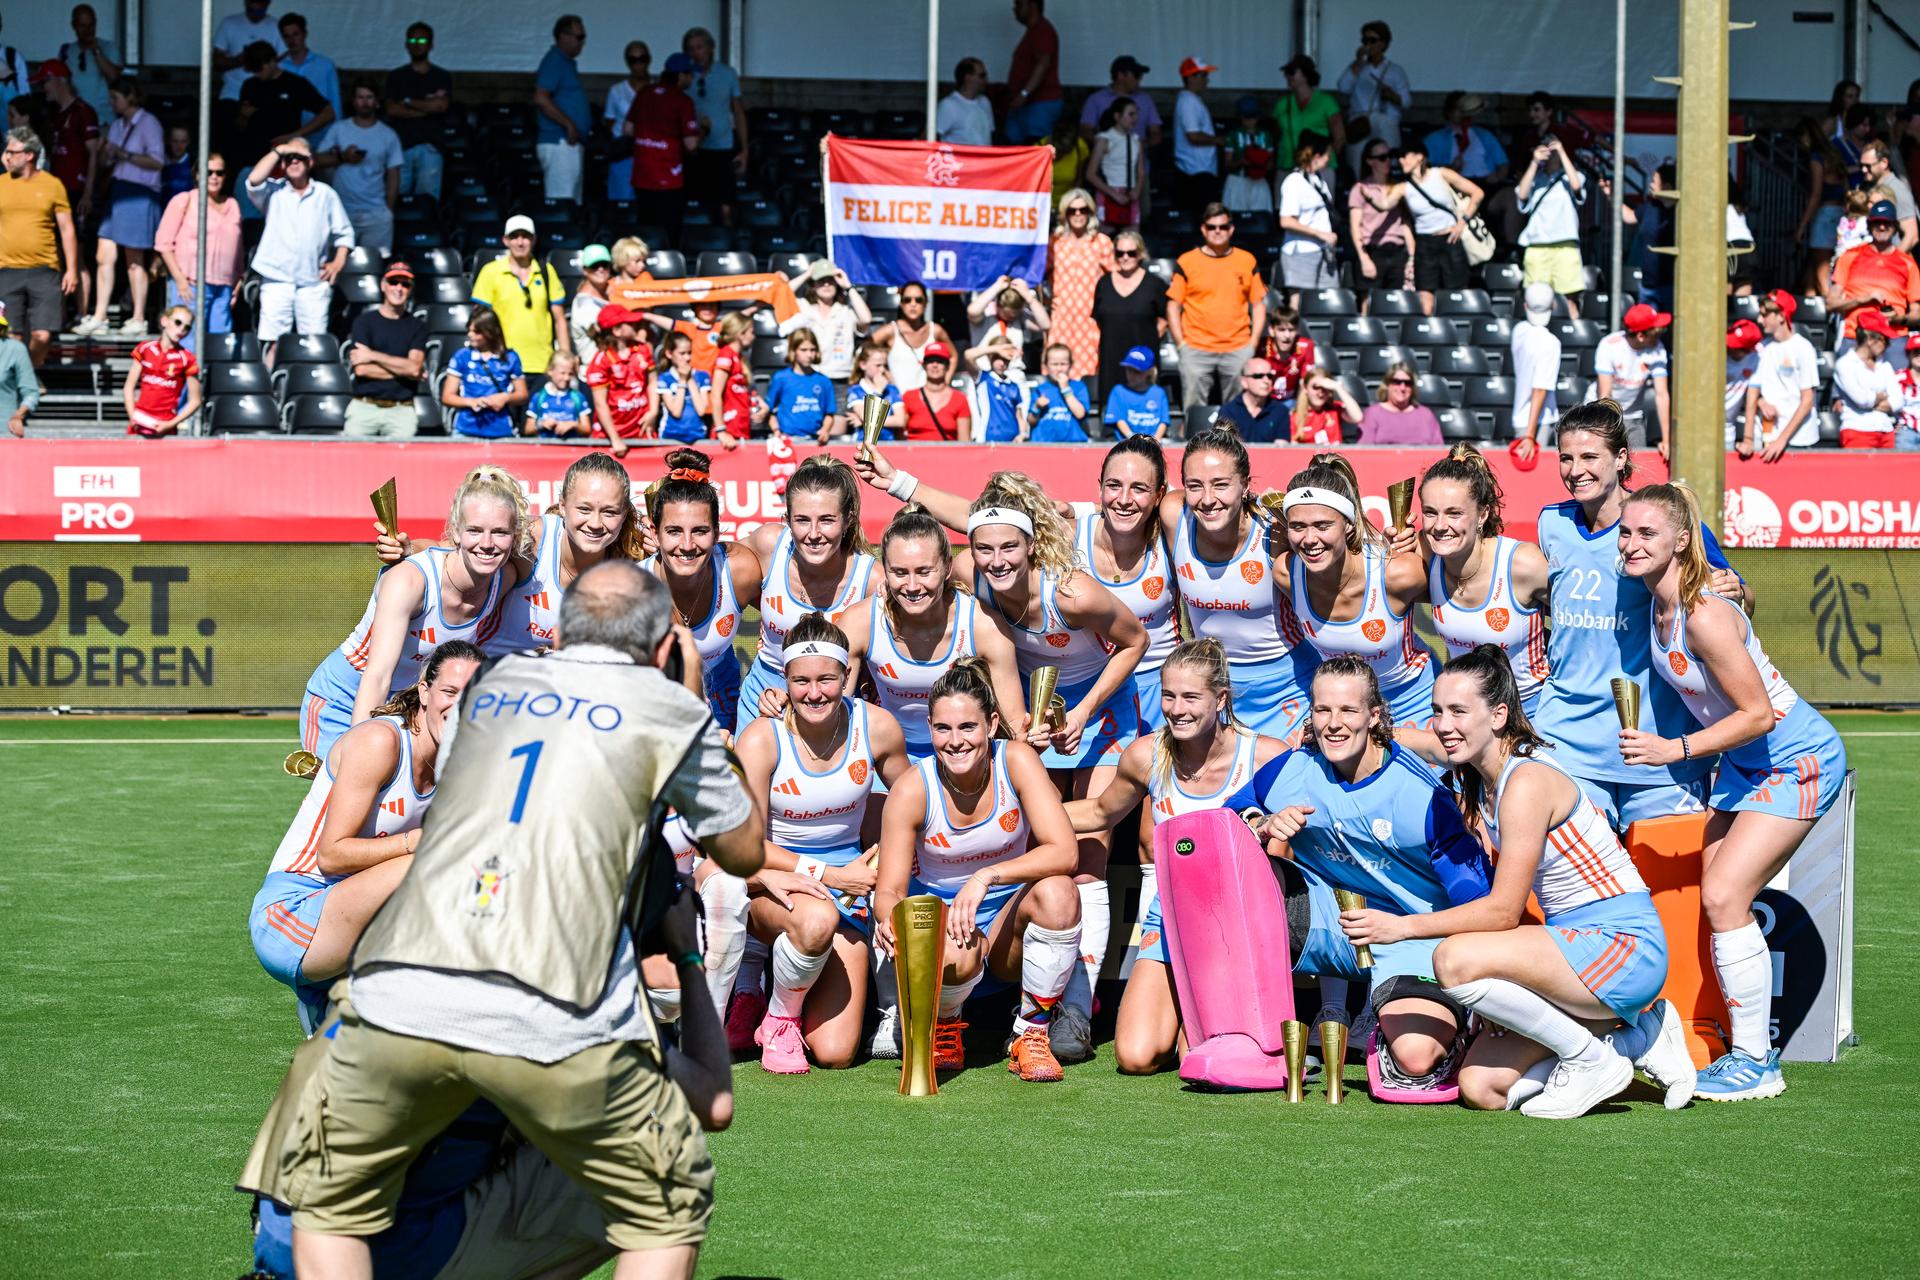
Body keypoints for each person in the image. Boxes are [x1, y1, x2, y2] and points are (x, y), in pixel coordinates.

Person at [280, 561, 762, 1280]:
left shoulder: (492, 687)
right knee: (665, 1204)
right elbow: (743, 849)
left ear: (560, 634)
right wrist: (687, 690)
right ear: (662, 646)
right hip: (556, 999)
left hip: (399, 982)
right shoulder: (665, 705)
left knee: (324, 1202)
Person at [1354, 646, 1687, 1118]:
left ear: (1499, 714)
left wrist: (1400, 928)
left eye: (1458, 711)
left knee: (1453, 957)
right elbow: (1420, 742)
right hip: (1571, 952)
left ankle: (1589, 1059)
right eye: (1436, 710)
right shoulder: (1479, 768)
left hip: (1622, 946)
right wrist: (1357, 727)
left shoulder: (1525, 780)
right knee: (1481, 1087)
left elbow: (1503, 912)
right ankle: (1637, 1039)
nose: (1444, 724)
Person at [1620, 482, 1849, 1100]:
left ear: (1682, 541)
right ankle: (1743, 1049)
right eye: (1626, 532)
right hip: (1748, 767)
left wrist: (1676, 751)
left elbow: (1758, 716)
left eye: (1648, 534)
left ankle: (1757, 1061)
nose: (1633, 543)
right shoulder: (1656, 602)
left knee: (1723, 894)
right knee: (1716, 898)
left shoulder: (1703, 614)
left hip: (1797, 759)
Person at [1068, 640, 1290, 1074]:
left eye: (1191, 697)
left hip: (1239, 928)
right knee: (1135, 1056)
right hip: (1168, 918)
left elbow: (1286, 852)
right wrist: (1019, 813)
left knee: (1206, 1058)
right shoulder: (1145, 756)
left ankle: (1206, 1018)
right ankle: (1190, 1013)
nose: (1177, 708)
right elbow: (1098, 812)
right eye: (1169, 695)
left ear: (1220, 699)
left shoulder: (1266, 756)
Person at [1530, 398, 1747, 832]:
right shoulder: (1550, 523)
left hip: (1658, 749)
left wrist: (1738, 590)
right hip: (1567, 745)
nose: (1577, 470)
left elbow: (1734, 598)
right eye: (1566, 458)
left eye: (1590, 456)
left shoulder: (1664, 523)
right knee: (1572, 897)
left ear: (1621, 458)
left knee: (1669, 897)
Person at [252, 640, 480, 1030]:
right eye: (449, 692)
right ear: (424, 691)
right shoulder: (381, 741)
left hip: (352, 915)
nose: (460, 705)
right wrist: (417, 841)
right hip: (293, 918)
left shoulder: (464, 761)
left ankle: (335, 1002)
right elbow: (332, 856)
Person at [874, 659, 1082, 1082]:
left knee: (1060, 892)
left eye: (967, 727)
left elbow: (1065, 851)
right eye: (943, 729)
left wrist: (987, 876)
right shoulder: (913, 788)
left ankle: (1032, 1034)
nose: (955, 742)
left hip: (1008, 927)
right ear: (929, 727)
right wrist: (888, 920)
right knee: (955, 943)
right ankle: (944, 1026)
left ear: (990, 724)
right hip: (945, 933)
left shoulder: (1017, 760)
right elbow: (889, 890)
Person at [735, 613, 912, 1073]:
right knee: (816, 917)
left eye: (826, 680)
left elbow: (916, 801)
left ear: (846, 676)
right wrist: (831, 876)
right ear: (785, 681)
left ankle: (785, 974)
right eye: (801, 681)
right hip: (771, 884)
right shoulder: (761, 739)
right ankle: (778, 1016)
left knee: (835, 1052)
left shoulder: (876, 727)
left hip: (849, 888)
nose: (814, 693)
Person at [303, 466, 524, 757]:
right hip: (348, 698)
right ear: (456, 532)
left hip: (411, 704)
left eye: (499, 532)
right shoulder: (410, 582)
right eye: (474, 530)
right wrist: (360, 752)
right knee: (353, 792)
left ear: (513, 535)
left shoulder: (506, 577)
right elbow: (378, 676)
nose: (487, 543)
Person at [1276, 454, 1435, 726]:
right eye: (1298, 527)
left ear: (1349, 525)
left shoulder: (1396, 574)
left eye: (1322, 525)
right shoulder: (1286, 573)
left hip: (1412, 704)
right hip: (1342, 711)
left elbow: (1459, 592)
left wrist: (1421, 545)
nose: (1309, 539)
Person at [733, 455, 881, 725]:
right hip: (764, 697)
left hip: (831, 702)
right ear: (786, 519)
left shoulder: (871, 581)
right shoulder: (768, 545)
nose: (813, 534)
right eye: (802, 520)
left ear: (848, 521)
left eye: (826, 520)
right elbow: (711, 571)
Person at [1412, 444, 1551, 716]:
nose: (1440, 526)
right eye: (1430, 512)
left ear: (1483, 514)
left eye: (1454, 513)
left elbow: (1580, 621)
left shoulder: (1521, 563)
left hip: (1531, 710)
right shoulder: (1425, 552)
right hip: (1464, 715)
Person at [638, 450, 764, 731]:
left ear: (717, 532)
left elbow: (786, 619)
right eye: (673, 531)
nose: (686, 544)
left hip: (724, 684)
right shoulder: (633, 590)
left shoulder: (739, 570)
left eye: (699, 530)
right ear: (653, 532)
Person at [244, 136, 351, 370]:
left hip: (313, 281)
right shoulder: (274, 191)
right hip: (276, 279)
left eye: (300, 157)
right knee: (273, 344)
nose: (294, 162)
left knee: (312, 345)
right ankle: (273, 392)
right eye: (288, 158)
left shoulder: (326, 194)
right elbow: (253, 180)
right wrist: (279, 150)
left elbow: (344, 234)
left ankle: (308, 395)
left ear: (311, 162)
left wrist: (338, 262)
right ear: (282, 164)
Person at [1168, 203, 1266, 420]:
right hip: (1196, 347)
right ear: (1203, 229)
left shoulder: (1246, 260)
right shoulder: (1187, 261)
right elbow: (1173, 305)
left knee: (1237, 413)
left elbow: (1259, 305)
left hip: (1237, 347)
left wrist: (1253, 343)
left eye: (1223, 226)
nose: (1217, 231)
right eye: (1212, 227)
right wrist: (1181, 344)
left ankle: (1234, 452)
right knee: (1194, 412)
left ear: (1231, 229)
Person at [1361, 142, 1482, 316]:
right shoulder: (1404, 187)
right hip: (1425, 243)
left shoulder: (1441, 174)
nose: (1401, 160)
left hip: (1450, 238)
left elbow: (1477, 193)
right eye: (1400, 157)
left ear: (1420, 156)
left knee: (1457, 292)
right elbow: (1385, 204)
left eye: (1406, 155)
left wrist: (1462, 223)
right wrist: (1370, 197)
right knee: (1425, 295)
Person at [0, 126, 79, 372]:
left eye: (13, 152)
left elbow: (67, 229)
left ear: (29, 155)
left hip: (44, 270)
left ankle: (29, 374)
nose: (7, 156)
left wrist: (72, 269)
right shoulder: (2, 184)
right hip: (6, 269)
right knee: (10, 336)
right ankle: (17, 382)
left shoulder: (52, 185)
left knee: (42, 335)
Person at [470, 215, 569, 396]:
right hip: (502, 362)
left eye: (526, 236)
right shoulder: (491, 271)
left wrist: (565, 357)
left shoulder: (546, 271)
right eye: (515, 237)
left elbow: (559, 319)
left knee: (535, 423)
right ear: (505, 240)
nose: (520, 242)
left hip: (541, 364)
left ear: (534, 240)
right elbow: (480, 319)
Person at [154, 153, 242, 354]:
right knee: (187, 345)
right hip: (190, 285)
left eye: (219, 172)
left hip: (223, 288)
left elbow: (238, 246)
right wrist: (180, 280)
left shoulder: (233, 205)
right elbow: (163, 243)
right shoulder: (184, 201)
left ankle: (211, 386)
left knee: (221, 346)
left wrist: (238, 279)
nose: (214, 177)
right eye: (208, 172)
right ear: (197, 175)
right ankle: (185, 387)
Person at [1828, 200, 1920, 366]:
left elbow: (1917, 314)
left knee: (1897, 391)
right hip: (1856, 336)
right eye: (1877, 222)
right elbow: (1831, 303)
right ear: (1869, 225)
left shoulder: (1908, 263)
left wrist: (1899, 319)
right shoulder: (1850, 256)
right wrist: (1862, 299)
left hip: (1894, 337)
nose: (1882, 227)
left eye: (1887, 223)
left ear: (1895, 226)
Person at [316, 79, 401, 253]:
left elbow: (394, 173)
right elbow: (315, 160)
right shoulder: (339, 129)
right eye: (360, 97)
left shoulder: (388, 134)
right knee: (336, 270)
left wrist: (389, 209)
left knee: (375, 268)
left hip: (376, 214)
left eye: (369, 97)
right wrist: (342, 157)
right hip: (341, 211)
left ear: (377, 102)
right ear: (353, 101)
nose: (364, 102)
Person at [626, 52, 701, 248]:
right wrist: (705, 129)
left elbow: (627, 129)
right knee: (668, 235)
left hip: (642, 176)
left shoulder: (644, 92)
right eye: (690, 74)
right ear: (681, 75)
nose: (692, 78)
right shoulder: (683, 101)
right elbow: (691, 144)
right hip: (669, 179)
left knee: (644, 234)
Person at [236, 40, 334, 183]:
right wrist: (243, 117)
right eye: (253, 70)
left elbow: (328, 113)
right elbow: (239, 127)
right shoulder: (249, 85)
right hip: (254, 159)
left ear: (272, 61)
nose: (257, 74)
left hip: (286, 162)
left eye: (259, 69)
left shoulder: (295, 84)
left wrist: (295, 135)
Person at [1739, 290, 1819, 462]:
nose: (1760, 320)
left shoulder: (1804, 348)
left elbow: (1807, 401)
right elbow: (1753, 391)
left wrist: (1782, 439)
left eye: (1764, 315)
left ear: (1781, 316)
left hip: (1799, 440)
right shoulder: (1762, 348)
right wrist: (1760, 402)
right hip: (1768, 439)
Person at [1090, 229, 1167, 403]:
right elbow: (1098, 320)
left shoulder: (1155, 284)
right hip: (1111, 358)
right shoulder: (1104, 284)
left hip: (1143, 359)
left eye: (1131, 253)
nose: (1125, 257)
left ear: (1140, 254)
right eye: (1120, 253)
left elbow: (1164, 321)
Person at [1515, 134, 1586, 318]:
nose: (1549, 152)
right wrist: (1534, 162)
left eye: (1552, 149)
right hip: (1537, 246)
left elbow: (1576, 185)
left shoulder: (1571, 176)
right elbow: (1522, 195)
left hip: (1566, 246)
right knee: (1536, 300)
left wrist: (1561, 152)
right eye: (1545, 148)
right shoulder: (1534, 178)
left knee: (1569, 300)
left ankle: (1572, 341)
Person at [1047, 194, 1113, 388]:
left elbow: (1115, 278)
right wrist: (1045, 300)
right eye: (1072, 210)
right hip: (1061, 318)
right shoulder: (1055, 242)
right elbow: (1038, 274)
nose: (1078, 214)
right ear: (1064, 213)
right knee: (1058, 368)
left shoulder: (1101, 242)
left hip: (1090, 318)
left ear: (1090, 212)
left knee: (1088, 372)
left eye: (1083, 210)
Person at [682, 26, 747, 221]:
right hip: (693, 148)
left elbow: (738, 111)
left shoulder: (728, 73)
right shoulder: (683, 76)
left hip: (722, 147)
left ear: (711, 48)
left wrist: (745, 150)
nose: (696, 52)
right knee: (694, 204)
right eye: (691, 48)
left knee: (725, 204)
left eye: (700, 47)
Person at [1594, 303, 1673, 454]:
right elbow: (1605, 395)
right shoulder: (1609, 346)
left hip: (1633, 416)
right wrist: (1606, 432)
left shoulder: (1657, 347)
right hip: (1603, 414)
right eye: (1656, 332)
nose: (1660, 335)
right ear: (1641, 336)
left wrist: (1666, 440)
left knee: (1637, 466)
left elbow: (1662, 394)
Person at [782, 259, 870, 395]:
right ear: (813, 285)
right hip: (809, 376)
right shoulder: (803, 307)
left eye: (831, 280)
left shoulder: (846, 311)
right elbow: (782, 295)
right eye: (821, 281)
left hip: (839, 379)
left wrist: (848, 287)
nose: (826, 284)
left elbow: (866, 319)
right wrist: (807, 274)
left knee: (838, 417)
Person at [384, 22, 451, 200]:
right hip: (401, 146)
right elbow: (392, 109)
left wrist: (407, 101)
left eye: (422, 39)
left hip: (431, 146)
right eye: (412, 39)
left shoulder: (441, 76)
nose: (417, 43)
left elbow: (441, 106)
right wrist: (427, 108)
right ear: (406, 44)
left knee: (428, 202)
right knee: (398, 199)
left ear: (431, 44)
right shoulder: (396, 76)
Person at [1337, 20, 1410, 176]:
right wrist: (1357, 62)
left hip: (1386, 119)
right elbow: (1343, 87)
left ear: (1384, 44)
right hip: (1360, 119)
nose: (1368, 45)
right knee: (1356, 164)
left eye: (1373, 40)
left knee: (1388, 163)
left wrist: (1392, 96)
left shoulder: (1395, 70)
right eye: (1365, 40)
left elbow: (1406, 102)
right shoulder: (1357, 67)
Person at [442, 308, 527, 441]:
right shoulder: (462, 356)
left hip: (501, 432)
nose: (470, 335)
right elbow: (447, 397)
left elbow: (522, 394)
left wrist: (504, 398)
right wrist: (471, 402)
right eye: (469, 330)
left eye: (476, 332)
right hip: (466, 430)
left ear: (490, 332)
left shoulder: (510, 357)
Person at [532, 14, 590, 203]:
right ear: (563, 36)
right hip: (559, 143)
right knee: (561, 206)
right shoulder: (554, 60)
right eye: (579, 37)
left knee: (571, 205)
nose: (583, 42)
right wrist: (568, 124)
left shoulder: (565, 62)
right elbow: (541, 97)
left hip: (567, 144)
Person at [1277, 131, 1339, 306]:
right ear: (1317, 156)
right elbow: (1286, 221)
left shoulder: (1319, 179)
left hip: (1324, 250)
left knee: (1328, 302)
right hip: (1301, 251)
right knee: (1301, 303)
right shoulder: (1294, 181)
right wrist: (1320, 234)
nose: (1329, 159)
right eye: (1327, 154)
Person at [122, 304, 201, 436]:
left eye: (187, 327)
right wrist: (133, 417)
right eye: (178, 323)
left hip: (165, 425)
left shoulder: (187, 359)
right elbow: (128, 387)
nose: (181, 329)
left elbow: (195, 400)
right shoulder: (145, 348)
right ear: (164, 321)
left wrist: (170, 424)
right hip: (139, 422)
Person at [1349, 139, 1413, 300]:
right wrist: (1364, 259)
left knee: (1399, 302)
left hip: (1398, 252)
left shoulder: (1398, 187)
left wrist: (1411, 257)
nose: (1388, 161)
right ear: (1369, 161)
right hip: (1372, 250)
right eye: (1382, 157)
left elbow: (1406, 224)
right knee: (1369, 302)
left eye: (1391, 156)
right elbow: (1355, 226)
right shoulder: (1360, 188)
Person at [1831, 308, 1901, 448]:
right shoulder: (1844, 364)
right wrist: (1883, 396)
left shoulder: (1885, 365)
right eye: (1884, 340)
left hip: (1886, 431)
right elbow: (1861, 400)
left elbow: (1898, 400)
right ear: (1869, 339)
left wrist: (1874, 399)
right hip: (1858, 432)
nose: (1887, 345)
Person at [1793, 119, 1848, 297]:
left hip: (1825, 215)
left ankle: (1830, 310)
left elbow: (1816, 195)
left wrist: (1801, 227)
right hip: (1840, 215)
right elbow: (1846, 189)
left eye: (1800, 139)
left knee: (1821, 271)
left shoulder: (1816, 158)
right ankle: (1810, 308)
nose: (1800, 144)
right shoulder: (1835, 155)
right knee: (1813, 267)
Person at [1509, 282, 1562, 464]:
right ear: (1553, 306)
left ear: (1525, 306)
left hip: (1521, 419)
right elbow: (1540, 389)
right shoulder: (1550, 342)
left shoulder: (1518, 331)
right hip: (1536, 424)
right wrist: (1530, 436)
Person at [1273, 55, 1344, 190]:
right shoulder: (1282, 104)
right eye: (1286, 73)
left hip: (1319, 169)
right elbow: (1276, 135)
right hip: (1287, 165)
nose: (1287, 76)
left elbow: (1339, 137)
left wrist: (1324, 160)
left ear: (1305, 75)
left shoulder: (1326, 102)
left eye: (1292, 72)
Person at [872, 280, 954, 395]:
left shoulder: (935, 330)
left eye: (919, 300)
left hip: (926, 404)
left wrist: (944, 383)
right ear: (901, 303)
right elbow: (864, 353)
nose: (913, 304)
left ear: (926, 303)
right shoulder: (890, 331)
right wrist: (882, 373)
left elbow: (953, 356)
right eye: (907, 300)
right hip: (897, 403)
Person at [966, 274, 1048, 381]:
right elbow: (972, 311)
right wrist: (998, 286)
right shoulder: (985, 316)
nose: (1010, 317)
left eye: (1014, 314)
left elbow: (1045, 325)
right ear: (998, 305)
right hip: (986, 374)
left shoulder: (1020, 318)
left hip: (1013, 374)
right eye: (1006, 313)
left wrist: (1028, 296)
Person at [1004, 0, 1063, 145]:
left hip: (1039, 103)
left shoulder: (1042, 30)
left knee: (1035, 149)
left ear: (1033, 5)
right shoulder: (1034, 31)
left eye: (1019, 4)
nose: (1015, 9)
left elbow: (1043, 64)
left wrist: (1024, 93)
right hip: (1027, 104)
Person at [1079, 54, 1163, 154]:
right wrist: (1106, 146)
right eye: (1136, 75)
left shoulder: (1145, 99)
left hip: (1139, 164)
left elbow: (1156, 132)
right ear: (1120, 76)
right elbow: (1085, 130)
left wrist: (1142, 146)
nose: (1140, 79)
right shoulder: (1096, 99)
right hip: (1107, 164)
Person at [767, 327, 835, 441]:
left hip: (814, 440)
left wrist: (825, 430)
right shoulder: (781, 378)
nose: (809, 354)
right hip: (787, 440)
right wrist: (776, 431)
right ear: (793, 351)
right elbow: (769, 411)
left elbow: (829, 414)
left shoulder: (824, 381)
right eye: (803, 350)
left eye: (812, 350)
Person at [1171, 57, 1220, 215]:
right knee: (1201, 217)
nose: (1207, 79)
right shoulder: (1188, 102)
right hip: (1196, 171)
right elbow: (1193, 136)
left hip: (1198, 169)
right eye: (1203, 75)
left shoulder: (1191, 100)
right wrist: (1220, 140)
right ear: (1191, 77)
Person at [1423, 92, 1508, 185]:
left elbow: (1503, 163)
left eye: (1466, 108)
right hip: (1451, 184)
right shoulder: (1434, 139)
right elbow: (1424, 167)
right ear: (1449, 112)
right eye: (1458, 108)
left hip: (1485, 182)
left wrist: (1497, 177)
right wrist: (1450, 168)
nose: (1463, 113)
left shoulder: (1484, 135)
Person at [1086, 100, 1146, 231]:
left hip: (1130, 192)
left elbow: (1141, 172)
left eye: (1136, 114)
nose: (1135, 118)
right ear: (1117, 116)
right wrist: (1114, 194)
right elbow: (1090, 174)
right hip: (1108, 192)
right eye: (1131, 114)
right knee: (1104, 238)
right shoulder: (1104, 139)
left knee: (1132, 238)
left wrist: (1136, 190)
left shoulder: (1136, 140)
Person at [603, 41, 651, 202]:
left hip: (649, 151)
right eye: (633, 60)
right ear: (627, 62)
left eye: (642, 59)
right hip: (623, 152)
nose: (638, 64)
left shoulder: (656, 89)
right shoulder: (616, 90)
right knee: (622, 198)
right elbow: (608, 120)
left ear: (648, 60)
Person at [57, 4, 122, 119]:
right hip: (76, 120)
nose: (87, 31)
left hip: (103, 119)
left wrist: (96, 51)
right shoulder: (66, 51)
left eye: (91, 25)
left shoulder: (108, 47)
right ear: (74, 26)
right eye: (82, 26)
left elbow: (115, 79)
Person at [707, 310, 760, 444]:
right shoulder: (726, 355)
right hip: (728, 434)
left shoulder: (740, 358)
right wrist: (721, 431)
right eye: (751, 332)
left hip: (741, 430)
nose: (754, 337)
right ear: (740, 334)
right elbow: (715, 394)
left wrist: (762, 407)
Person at [1357, 360, 1441, 445]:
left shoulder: (1426, 415)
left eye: (1408, 383)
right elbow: (1364, 451)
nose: (1402, 388)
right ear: (1387, 384)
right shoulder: (1373, 414)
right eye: (1397, 382)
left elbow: (1439, 451)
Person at [214, 0, 283, 102]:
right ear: (245, 3)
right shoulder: (229, 23)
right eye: (251, 10)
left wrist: (259, 63)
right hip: (233, 93)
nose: (255, 14)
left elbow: (283, 62)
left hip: (265, 93)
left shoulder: (276, 26)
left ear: (268, 3)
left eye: (259, 11)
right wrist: (239, 60)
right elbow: (216, 61)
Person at [277, 11, 340, 121]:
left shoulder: (325, 65)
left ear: (305, 34)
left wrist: (337, 134)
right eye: (287, 36)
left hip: (321, 133)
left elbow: (336, 102)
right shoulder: (279, 67)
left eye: (296, 34)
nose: (292, 40)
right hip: (288, 133)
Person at [1023, 342, 1092, 442]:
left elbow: (1080, 414)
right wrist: (1037, 407)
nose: (1059, 369)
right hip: (1044, 444)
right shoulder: (1041, 389)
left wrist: (1065, 389)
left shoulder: (1078, 387)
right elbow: (1030, 421)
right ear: (1046, 365)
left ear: (1071, 365)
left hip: (1073, 443)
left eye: (1063, 364)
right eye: (1054, 364)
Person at [1221, 97, 1278, 215]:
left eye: (1253, 117)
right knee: (1235, 217)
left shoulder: (1265, 135)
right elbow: (1227, 164)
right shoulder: (1233, 135)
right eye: (1246, 117)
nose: (1250, 121)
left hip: (1259, 181)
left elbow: (1271, 163)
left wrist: (1260, 163)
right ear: (1240, 117)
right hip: (1237, 181)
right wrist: (1242, 162)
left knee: (1261, 216)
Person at [1860, 140, 1918, 255]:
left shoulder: (1898, 189)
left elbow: (1912, 236)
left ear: (1884, 163)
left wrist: (1890, 263)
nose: (1863, 170)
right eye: (1861, 165)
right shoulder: (1869, 186)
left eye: (1868, 166)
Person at [655, 331, 712, 444]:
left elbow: (701, 410)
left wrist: (689, 378)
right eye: (682, 353)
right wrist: (682, 380)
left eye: (689, 353)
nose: (687, 358)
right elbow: (676, 411)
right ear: (669, 354)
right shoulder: (665, 378)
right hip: (670, 436)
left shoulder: (702, 376)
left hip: (698, 436)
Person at [1215, 354, 1288, 441]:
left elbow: (1282, 448)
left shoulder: (1280, 411)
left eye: (1269, 376)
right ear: (1244, 382)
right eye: (1258, 376)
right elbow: (1223, 447)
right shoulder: (1228, 411)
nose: (1266, 381)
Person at [1103, 345, 1170, 440]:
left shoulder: (1159, 393)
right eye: (1129, 370)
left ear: (1149, 372)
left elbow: (1163, 422)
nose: (1131, 375)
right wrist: (1133, 438)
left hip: (1153, 445)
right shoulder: (1118, 391)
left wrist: (1154, 441)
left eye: (1137, 371)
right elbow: (1119, 419)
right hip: (1126, 445)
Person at [1261, 304, 1318, 411]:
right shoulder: (1261, 347)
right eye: (1281, 330)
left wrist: (1300, 410)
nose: (1287, 336)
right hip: (1264, 401)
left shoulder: (1306, 346)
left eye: (1291, 330)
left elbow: (1306, 382)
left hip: (1291, 401)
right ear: (1272, 331)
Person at [526, 350, 589, 438]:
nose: (566, 378)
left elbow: (587, 429)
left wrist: (573, 425)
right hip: (545, 449)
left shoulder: (577, 397)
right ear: (550, 371)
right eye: (562, 373)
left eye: (570, 374)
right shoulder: (539, 397)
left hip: (571, 449)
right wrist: (542, 424)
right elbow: (528, 429)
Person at [967, 340, 1023, 441]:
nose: (1002, 363)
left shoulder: (1014, 385)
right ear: (990, 357)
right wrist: (997, 349)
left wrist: (1023, 434)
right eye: (998, 358)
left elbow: (1019, 416)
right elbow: (968, 355)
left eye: (1005, 359)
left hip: (1012, 441)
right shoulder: (983, 378)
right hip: (987, 439)